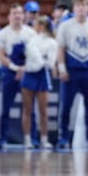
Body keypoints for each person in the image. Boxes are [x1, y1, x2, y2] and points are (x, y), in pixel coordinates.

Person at [56, 0, 88, 148]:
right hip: (71, 71)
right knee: (66, 106)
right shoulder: (65, 26)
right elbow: (60, 48)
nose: (81, 8)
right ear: (74, 8)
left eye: (84, 5)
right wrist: (61, 68)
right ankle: (63, 138)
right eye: (78, 5)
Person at [0, 3, 37, 147]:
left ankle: (31, 138)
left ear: (23, 15)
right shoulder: (3, 33)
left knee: (29, 107)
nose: (17, 16)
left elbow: (36, 54)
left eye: (19, 13)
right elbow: (0, 55)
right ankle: (2, 138)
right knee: (6, 107)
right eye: (14, 13)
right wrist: (14, 67)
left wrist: (24, 68)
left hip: (28, 71)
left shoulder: (31, 33)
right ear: (9, 16)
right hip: (9, 72)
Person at [22, 16, 57, 149]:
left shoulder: (52, 42)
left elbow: (50, 63)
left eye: (37, 25)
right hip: (30, 75)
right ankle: (27, 139)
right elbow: (28, 57)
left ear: (42, 26)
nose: (35, 27)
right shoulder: (30, 41)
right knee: (27, 109)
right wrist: (41, 58)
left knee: (43, 110)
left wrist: (41, 60)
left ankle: (44, 139)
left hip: (42, 76)